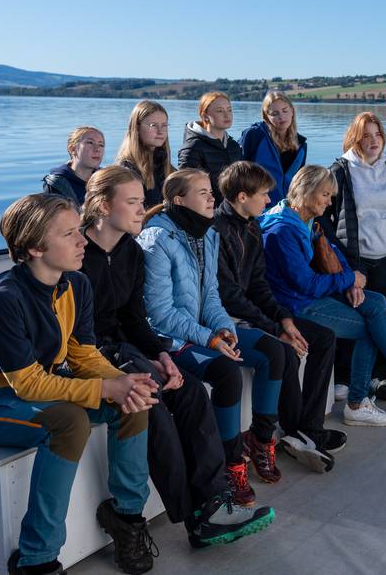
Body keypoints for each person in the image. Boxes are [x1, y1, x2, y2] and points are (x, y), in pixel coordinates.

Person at [0, 193, 158, 575]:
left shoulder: (75, 285)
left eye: (80, 231)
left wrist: (121, 382)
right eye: (69, 234)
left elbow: (82, 355)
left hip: (32, 389)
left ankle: (127, 518)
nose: (82, 242)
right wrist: (104, 389)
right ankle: (37, 559)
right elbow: (27, 384)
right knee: (69, 421)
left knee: (133, 401)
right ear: (33, 248)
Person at [80, 166, 273, 548]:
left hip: (127, 347)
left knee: (190, 394)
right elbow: (78, 334)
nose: (141, 210)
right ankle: (196, 517)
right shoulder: (79, 256)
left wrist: (161, 355)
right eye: (132, 202)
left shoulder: (130, 252)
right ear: (103, 206)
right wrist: (142, 363)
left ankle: (215, 501)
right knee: (154, 403)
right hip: (89, 354)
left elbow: (134, 319)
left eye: (141, 201)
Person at [137, 169, 288, 505]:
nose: (212, 199)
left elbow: (212, 297)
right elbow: (160, 314)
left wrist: (225, 329)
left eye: (210, 192)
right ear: (179, 200)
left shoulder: (207, 234)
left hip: (202, 332)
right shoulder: (157, 239)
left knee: (272, 350)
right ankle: (231, 465)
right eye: (203, 193)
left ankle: (261, 441)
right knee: (225, 371)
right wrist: (209, 339)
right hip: (170, 340)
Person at [258, 165, 386, 427]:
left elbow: (330, 249)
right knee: (371, 329)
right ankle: (364, 399)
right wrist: (348, 279)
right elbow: (306, 285)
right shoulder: (281, 232)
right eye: (325, 195)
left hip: (308, 295)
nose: (329, 201)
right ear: (306, 192)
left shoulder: (302, 218)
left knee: (376, 301)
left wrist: (351, 281)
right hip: (295, 306)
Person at [214, 161, 344, 472]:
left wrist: (284, 320)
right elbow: (230, 296)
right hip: (226, 318)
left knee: (323, 338)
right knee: (283, 350)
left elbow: (259, 284)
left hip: (257, 311)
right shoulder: (217, 233)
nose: (270, 201)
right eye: (263, 194)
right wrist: (276, 327)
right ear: (243, 197)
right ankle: (288, 431)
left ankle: (308, 429)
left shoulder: (251, 227)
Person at [321, 111, 386, 300]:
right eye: (366, 135)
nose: (374, 140)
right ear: (356, 139)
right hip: (355, 260)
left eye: (377, 134)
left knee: (381, 305)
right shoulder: (340, 171)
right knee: (361, 310)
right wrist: (338, 249)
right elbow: (322, 215)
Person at [241, 91, 307, 210]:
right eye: (275, 113)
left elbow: (299, 183)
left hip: (287, 209)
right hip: (258, 208)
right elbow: (239, 172)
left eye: (285, 111)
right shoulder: (254, 135)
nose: (281, 117)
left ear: (292, 111)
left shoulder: (301, 144)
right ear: (266, 116)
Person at [177, 91, 243, 204]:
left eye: (229, 110)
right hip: (205, 215)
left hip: (232, 213)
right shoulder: (193, 147)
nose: (227, 115)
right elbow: (185, 189)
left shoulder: (234, 146)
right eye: (220, 111)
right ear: (205, 116)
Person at [116, 99, 175, 208]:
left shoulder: (165, 165)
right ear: (136, 128)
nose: (160, 131)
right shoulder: (127, 170)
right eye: (153, 125)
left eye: (164, 125)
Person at [43, 126, 105, 206]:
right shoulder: (58, 185)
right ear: (73, 149)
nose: (97, 149)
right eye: (90, 143)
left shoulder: (106, 180)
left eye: (101, 145)